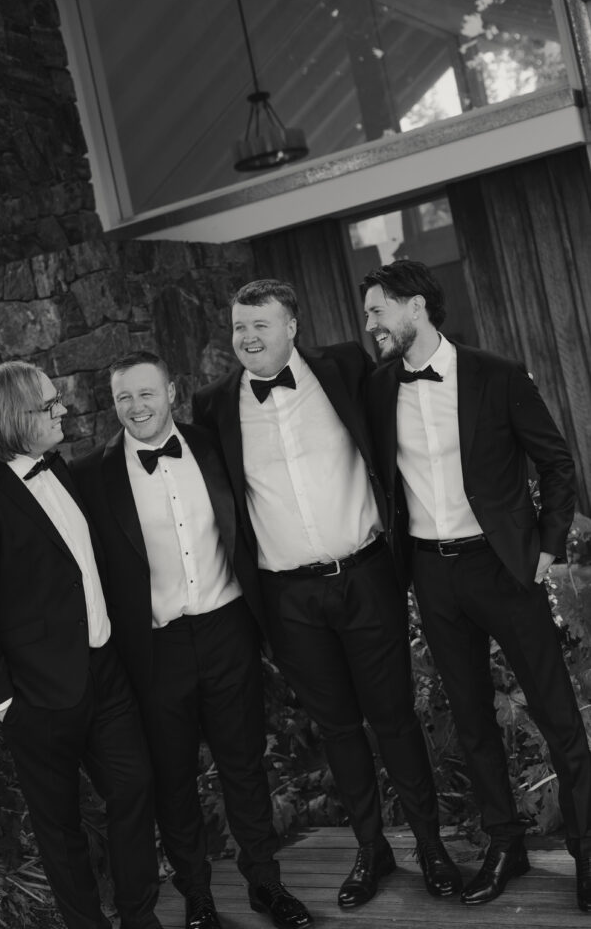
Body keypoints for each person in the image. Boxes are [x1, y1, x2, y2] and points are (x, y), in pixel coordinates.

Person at [192, 278, 461, 908]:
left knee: (394, 718)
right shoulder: (213, 405)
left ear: (292, 326)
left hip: (366, 577)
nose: (247, 337)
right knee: (338, 729)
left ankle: (431, 845)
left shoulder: (344, 367)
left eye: (260, 325)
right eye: (239, 327)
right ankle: (372, 849)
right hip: (288, 599)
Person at [361, 259, 591, 911]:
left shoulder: (496, 374)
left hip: (503, 567)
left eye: (378, 310)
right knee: (470, 720)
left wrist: (545, 548)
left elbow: (555, 462)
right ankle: (505, 846)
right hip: (431, 575)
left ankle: (587, 851)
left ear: (414, 306)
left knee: (556, 716)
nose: (370, 325)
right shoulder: (377, 388)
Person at [70, 352, 312, 929]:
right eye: (124, 397)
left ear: (172, 392)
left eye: (146, 393)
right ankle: (197, 897)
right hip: (155, 649)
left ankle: (266, 884)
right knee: (173, 780)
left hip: (228, 629)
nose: (136, 407)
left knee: (244, 766)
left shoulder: (212, 445)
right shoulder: (90, 475)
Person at [0, 361, 160, 929]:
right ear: (15, 417)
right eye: (49, 405)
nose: (63, 409)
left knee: (134, 788)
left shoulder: (58, 467)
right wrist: (5, 703)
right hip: (37, 697)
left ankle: (140, 918)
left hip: (104, 671)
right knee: (59, 828)